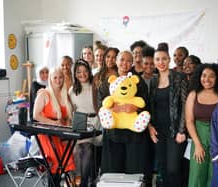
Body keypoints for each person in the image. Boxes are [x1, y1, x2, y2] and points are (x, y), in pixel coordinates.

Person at [99, 51, 150, 181]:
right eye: (122, 60)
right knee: (113, 173)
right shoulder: (108, 82)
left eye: (128, 60)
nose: (124, 63)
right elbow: (102, 104)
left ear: (132, 63)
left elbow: (146, 103)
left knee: (133, 174)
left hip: (134, 135)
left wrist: (135, 107)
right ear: (116, 61)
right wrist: (118, 108)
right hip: (113, 134)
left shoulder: (138, 82)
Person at [148, 43, 188, 187]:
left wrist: (182, 130)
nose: (161, 62)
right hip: (158, 131)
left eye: (164, 59)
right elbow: (150, 107)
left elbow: (185, 105)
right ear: (154, 62)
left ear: (169, 59)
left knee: (173, 168)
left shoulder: (179, 77)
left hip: (175, 131)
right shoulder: (153, 80)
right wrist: (150, 127)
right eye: (157, 59)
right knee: (162, 168)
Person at [185, 63, 218, 187]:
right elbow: (189, 121)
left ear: (217, 78)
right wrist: (197, 145)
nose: (207, 79)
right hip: (199, 138)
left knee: (215, 175)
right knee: (197, 175)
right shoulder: (193, 94)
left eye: (211, 76)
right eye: (204, 75)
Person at [33, 68, 75, 183]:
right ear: (50, 79)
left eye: (60, 77)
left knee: (67, 165)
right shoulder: (44, 93)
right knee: (55, 166)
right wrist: (53, 123)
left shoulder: (65, 95)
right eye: (55, 77)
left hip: (63, 134)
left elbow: (67, 118)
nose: (58, 80)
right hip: (47, 135)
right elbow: (36, 115)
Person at [69, 59, 97, 187]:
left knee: (87, 147)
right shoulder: (72, 90)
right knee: (79, 148)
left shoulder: (95, 86)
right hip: (81, 124)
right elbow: (71, 110)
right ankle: (81, 181)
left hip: (96, 123)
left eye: (85, 71)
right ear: (75, 74)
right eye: (79, 72)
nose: (82, 74)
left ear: (89, 72)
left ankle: (84, 182)